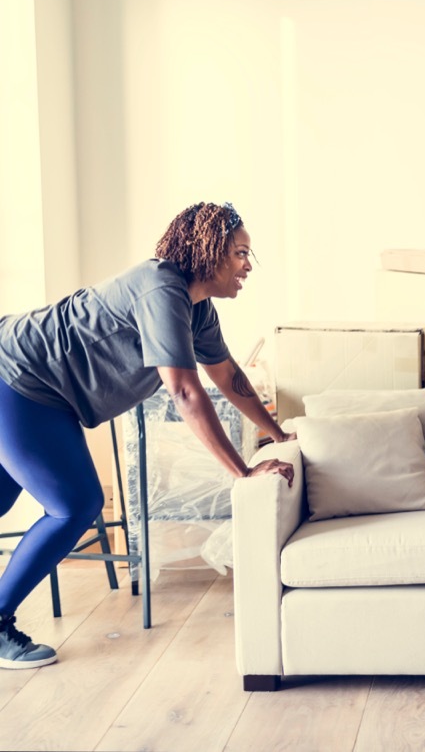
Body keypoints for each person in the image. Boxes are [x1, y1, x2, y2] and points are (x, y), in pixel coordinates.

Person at [0, 202, 294, 669]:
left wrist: (277, 432)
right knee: (75, 505)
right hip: (19, 378)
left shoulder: (198, 312)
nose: (246, 266)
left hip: (42, 394)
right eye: (240, 253)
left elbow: (226, 375)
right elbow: (185, 390)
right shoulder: (162, 288)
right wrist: (244, 472)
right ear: (210, 251)